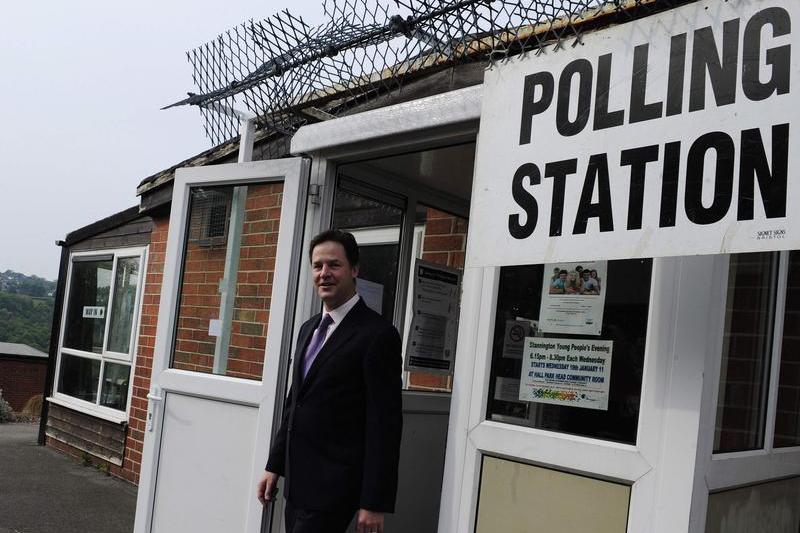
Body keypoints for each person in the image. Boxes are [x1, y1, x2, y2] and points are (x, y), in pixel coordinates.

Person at [256, 230, 403, 533]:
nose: (324, 274)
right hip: (297, 486)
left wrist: (374, 501)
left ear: (355, 269)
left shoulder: (377, 335)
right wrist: (274, 465)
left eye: (334, 265)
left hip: (335, 488)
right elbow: (295, 403)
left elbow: (385, 425)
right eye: (318, 266)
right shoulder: (308, 329)